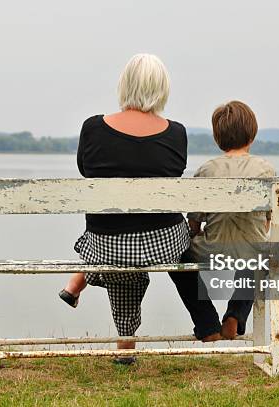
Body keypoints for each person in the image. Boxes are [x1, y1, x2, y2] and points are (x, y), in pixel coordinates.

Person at [58, 54, 190, 364]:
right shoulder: (177, 133)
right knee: (142, 242)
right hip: (163, 246)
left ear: (124, 85)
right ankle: (128, 346)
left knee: (112, 244)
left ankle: (121, 343)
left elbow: (85, 170)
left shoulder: (92, 128)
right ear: (162, 89)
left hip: (106, 245)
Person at [169, 100, 275, 341]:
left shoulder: (207, 170)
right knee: (258, 255)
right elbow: (268, 221)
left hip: (211, 249)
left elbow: (194, 224)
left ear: (218, 138)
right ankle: (235, 314)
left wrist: (197, 232)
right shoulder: (265, 169)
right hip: (252, 250)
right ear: (252, 134)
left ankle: (207, 324)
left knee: (177, 258)